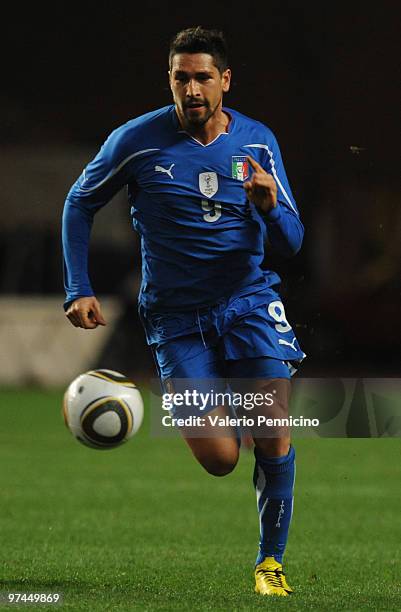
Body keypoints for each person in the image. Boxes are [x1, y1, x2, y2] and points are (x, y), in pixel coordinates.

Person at [62, 26, 305, 596]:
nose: (192, 89)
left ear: (225, 80)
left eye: (202, 77)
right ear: (169, 81)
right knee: (221, 459)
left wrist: (269, 209)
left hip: (248, 302)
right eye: (181, 78)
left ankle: (270, 564)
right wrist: (79, 286)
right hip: (176, 320)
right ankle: (236, 419)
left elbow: (291, 241)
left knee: (271, 429)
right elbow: (80, 202)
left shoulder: (258, 143)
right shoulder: (135, 141)